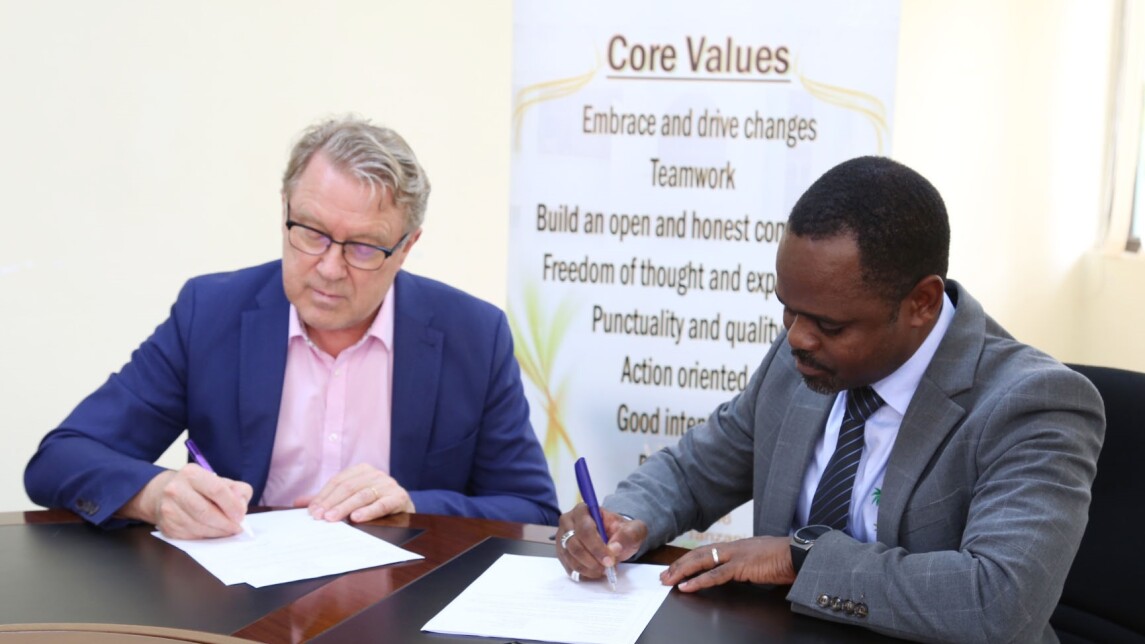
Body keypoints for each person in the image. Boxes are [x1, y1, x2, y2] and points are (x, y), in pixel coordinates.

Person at [555, 156, 1104, 643]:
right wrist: (623, 521)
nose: (797, 336)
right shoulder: (803, 356)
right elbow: (696, 470)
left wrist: (799, 559)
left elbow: (999, 602)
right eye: (787, 309)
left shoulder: (1034, 404)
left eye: (829, 324)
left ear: (922, 302)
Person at [25, 115, 559, 539]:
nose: (329, 267)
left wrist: (413, 504)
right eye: (311, 232)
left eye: (363, 248)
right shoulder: (210, 314)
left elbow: (532, 510)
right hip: (237, 608)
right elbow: (60, 458)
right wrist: (155, 495)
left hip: (403, 606)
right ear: (284, 210)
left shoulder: (473, 336)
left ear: (407, 247)